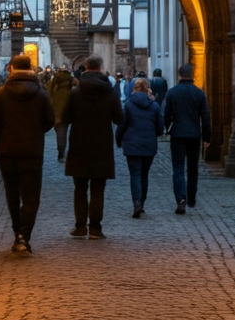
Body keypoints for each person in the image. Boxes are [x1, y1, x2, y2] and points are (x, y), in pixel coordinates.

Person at [0, 54, 54, 253]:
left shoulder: (1, 93)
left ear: (13, 69)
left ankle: (17, 234)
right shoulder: (41, 93)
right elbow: (49, 121)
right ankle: (24, 235)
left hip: (7, 153)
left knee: (12, 194)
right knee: (32, 196)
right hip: (32, 152)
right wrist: (34, 131)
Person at [62, 55, 124, 239]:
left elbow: (65, 118)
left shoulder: (75, 91)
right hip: (102, 145)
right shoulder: (110, 92)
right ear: (100, 68)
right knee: (98, 188)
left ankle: (80, 227)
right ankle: (95, 229)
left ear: (85, 68)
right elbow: (119, 118)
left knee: (79, 188)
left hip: (79, 144)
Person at [163, 63, 211, 215]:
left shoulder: (172, 93)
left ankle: (180, 199)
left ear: (179, 74)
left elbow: (166, 114)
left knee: (178, 168)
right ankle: (191, 197)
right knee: (192, 168)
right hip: (194, 135)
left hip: (177, 134)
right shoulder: (199, 93)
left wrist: (166, 127)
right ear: (192, 75)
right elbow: (205, 117)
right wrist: (207, 136)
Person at [116, 77, 164, 218]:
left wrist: (118, 140)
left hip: (132, 144)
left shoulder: (129, 105)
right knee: (144, 174)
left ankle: (136, 203)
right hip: (149, 145)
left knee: (135, 174)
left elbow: (122, 125)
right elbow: (160, 129)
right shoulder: (154, 106)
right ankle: (142, 202)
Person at [47, 67, 76, 162]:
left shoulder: (54, 80)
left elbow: (49, 93)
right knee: (70, 132)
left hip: (57, 108)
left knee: (60, 132)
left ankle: (61, 153)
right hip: (69, 109)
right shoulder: (71, 81)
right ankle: (69, 152)